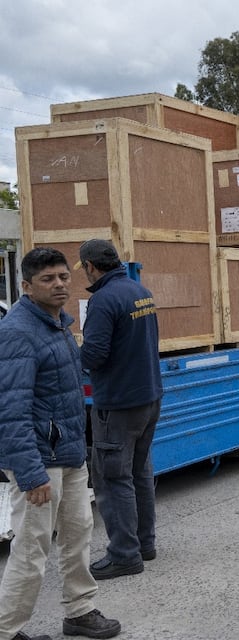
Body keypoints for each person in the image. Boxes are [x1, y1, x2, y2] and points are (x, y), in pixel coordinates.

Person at [0, 247, 121, 640]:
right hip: (39, 459)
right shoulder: (18, 333)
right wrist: (31, 473)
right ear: (26, 286)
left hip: (66, 452)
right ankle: (6, 628)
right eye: (47, 279)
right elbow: (10, 410)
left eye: (63, 277)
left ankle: (79, 610)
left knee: (78, 533)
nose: (59, 285)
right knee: (32, 548)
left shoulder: (57, 323)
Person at [76, 239, 162, 580]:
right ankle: (145, 544)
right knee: (139, 473)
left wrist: (67, 357)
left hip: (119, 403)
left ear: (90, 267)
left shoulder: (102, 300)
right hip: (149, 398)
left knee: (112, 479)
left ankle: (124, 555)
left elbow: (94, 355)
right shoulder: (139, 291)